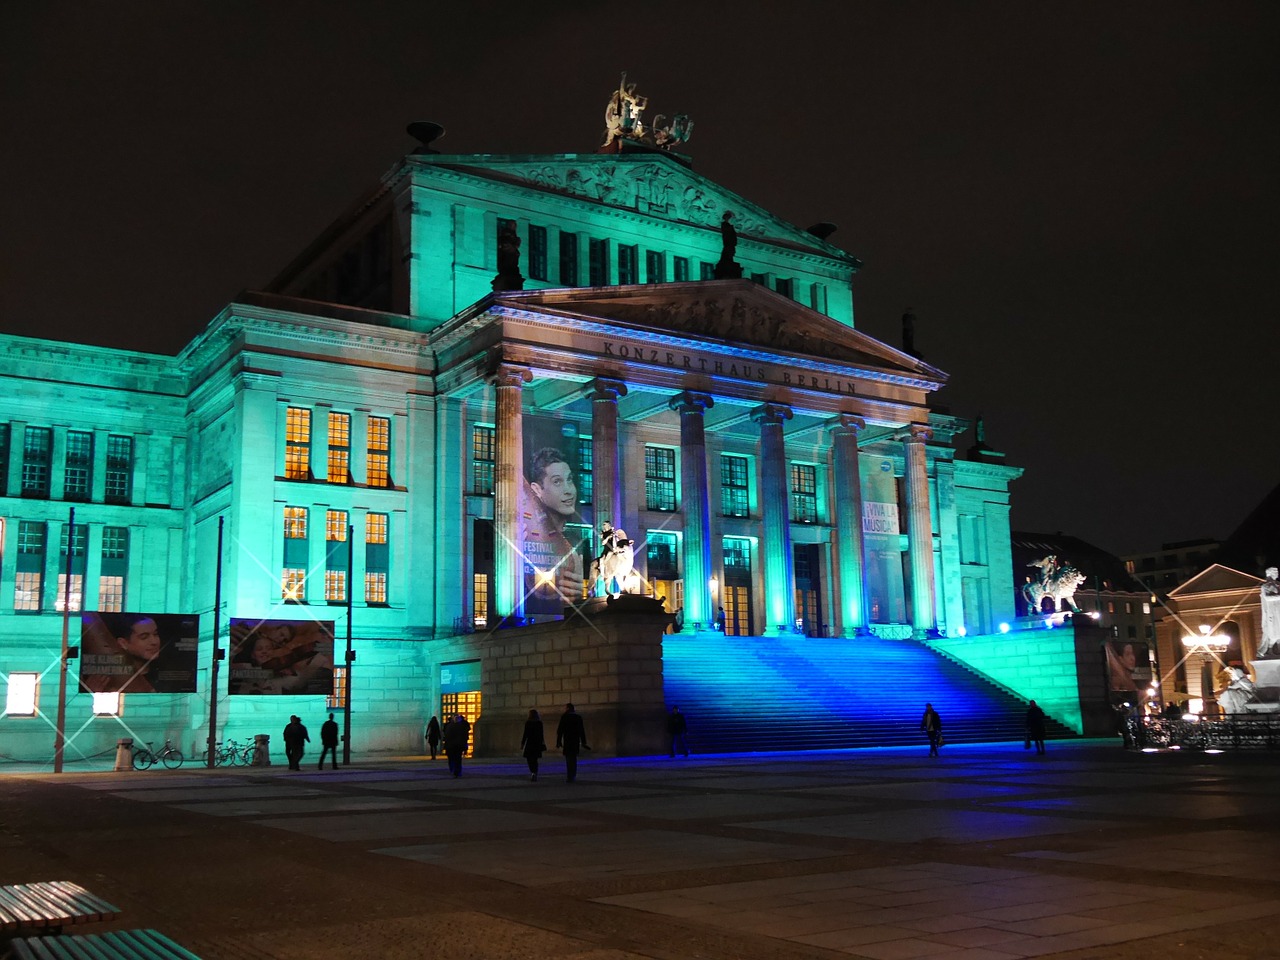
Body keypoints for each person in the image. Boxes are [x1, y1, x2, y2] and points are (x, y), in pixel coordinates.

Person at [523, 447, 585, 605]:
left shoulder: (575, 541)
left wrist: (578, 596)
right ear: (537, 490)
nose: (569, 491)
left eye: (569, 480)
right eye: (557, 481)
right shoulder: (524, 535)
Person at [555, 702, 589, 782]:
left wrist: (558, 741)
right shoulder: (578, 717)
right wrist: (583, 741)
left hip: (567, 740)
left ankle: (569, 775)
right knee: (573, 758)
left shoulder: (564, 717)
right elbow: (581, 731)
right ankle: (573, 774)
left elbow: (560, 731)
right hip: (575, 740)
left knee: (568, 758)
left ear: (567, 709)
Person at [1259, 567, 1280, 658]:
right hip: (1272, 611)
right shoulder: (1265, 586)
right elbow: (1267, 598)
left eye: (1277, 572)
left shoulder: (1278, 584)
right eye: (1275, 572)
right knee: (1273, 630)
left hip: (1278, 609)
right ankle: (1269, 649)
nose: (1277, 573)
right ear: (1270, 574)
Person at [443, 712, 470, 778]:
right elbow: (465, 737)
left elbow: (447, 736)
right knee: (458, 759)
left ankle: (454, 769)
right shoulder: (462, 727)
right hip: (458, 746)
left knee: (453, 758)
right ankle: (458, 771)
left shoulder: (450, 726)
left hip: (452, 746)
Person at [521, 709, 545, 781]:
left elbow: (525, 734)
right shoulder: (539, 723)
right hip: (537, 743)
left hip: (530, 743)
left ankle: (533, 772)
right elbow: (541, 735)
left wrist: (522, 743)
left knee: (529, 759)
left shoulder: (528, 723)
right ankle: (535, 772)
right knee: (535, 759)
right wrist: (542, 743)